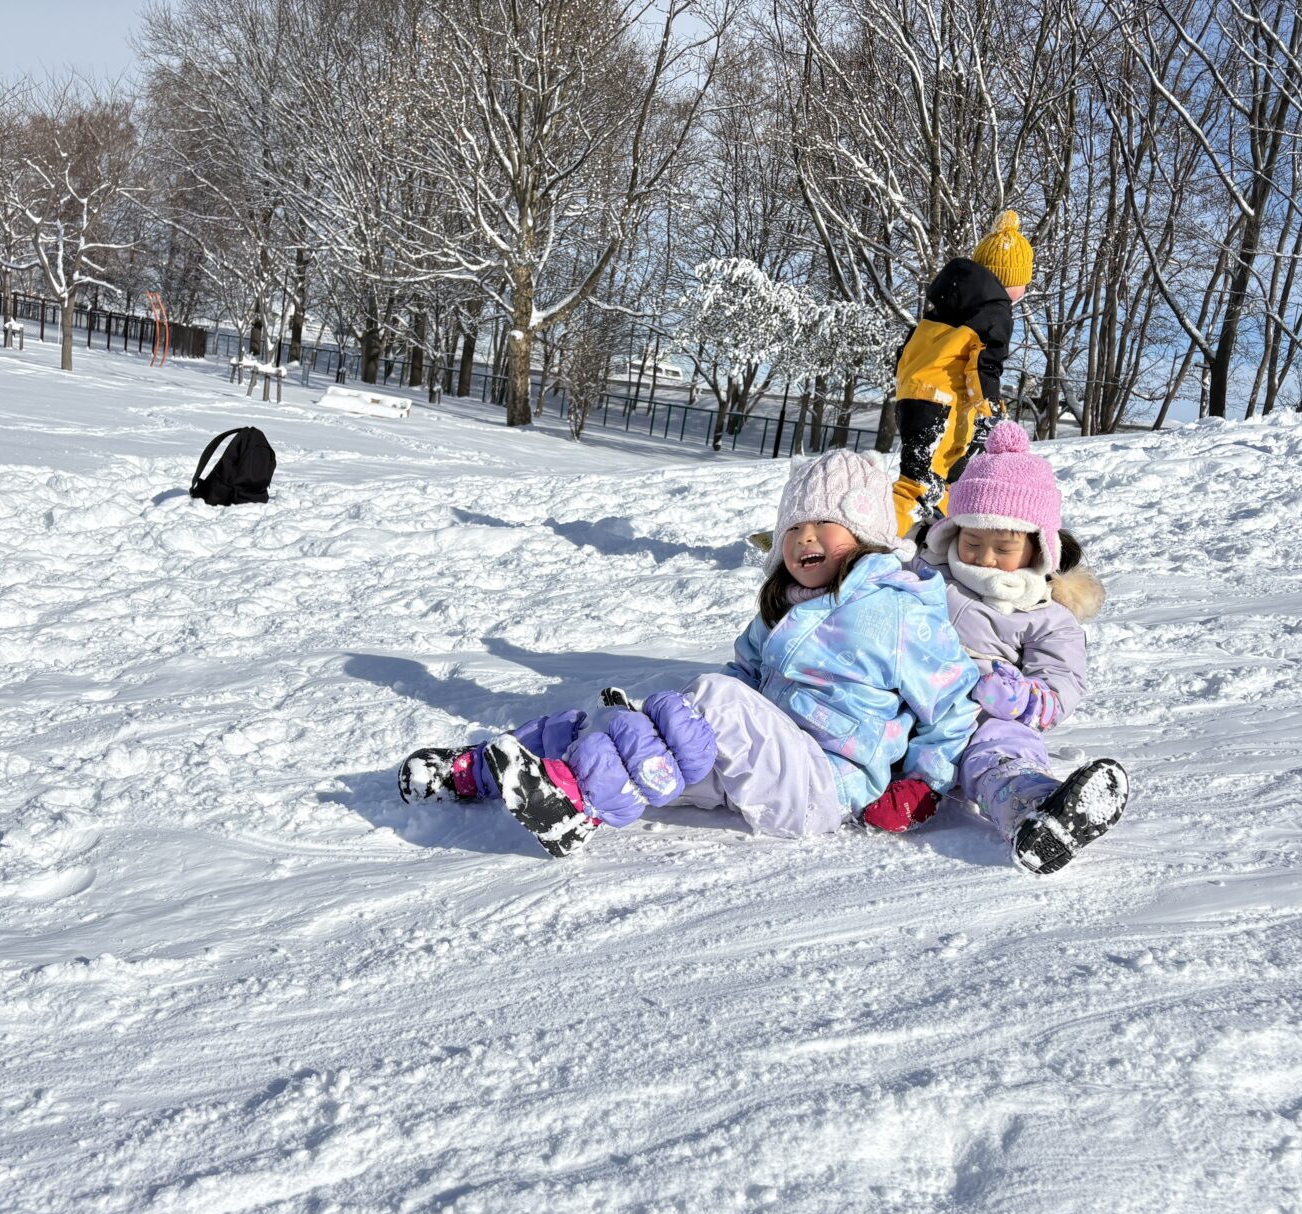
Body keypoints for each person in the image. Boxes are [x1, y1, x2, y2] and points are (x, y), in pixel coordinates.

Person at [397, 451, 982, 857]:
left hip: (821, 785)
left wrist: (924, 784)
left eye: (827, 523)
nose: (806, 537)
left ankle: (577, 800)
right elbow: (746, 673)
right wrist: (675, 721)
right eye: (794, 526)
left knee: (714, 700)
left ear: (868, 535)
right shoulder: (783, 606)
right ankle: (489, 773)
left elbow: (953, 705)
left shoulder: (896, 611)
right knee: (624, 728)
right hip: (754, 770)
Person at [865, 421, 1127, 874]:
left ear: (1037, 549)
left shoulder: (1047, 615)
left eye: (1003, 548)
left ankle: (1037, 812)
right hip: (907, 702)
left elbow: (1061, 683)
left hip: (981, 717)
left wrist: (1021, 698)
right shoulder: (925, 574)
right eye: (972, 542)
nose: (984, 558)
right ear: (953, 532)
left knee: (999, 754)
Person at [891, 211, 1034, 536]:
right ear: (1009, 280)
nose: (1025, 287)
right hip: (940, 403)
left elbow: (908, 348)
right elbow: (984, 365)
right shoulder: (996, 310)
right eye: (1024, 280)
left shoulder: (949, 304)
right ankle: (873, 539)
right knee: (916, 485)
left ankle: (936, 536)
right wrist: (991, 411)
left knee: (949, 476)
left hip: (917, 397)